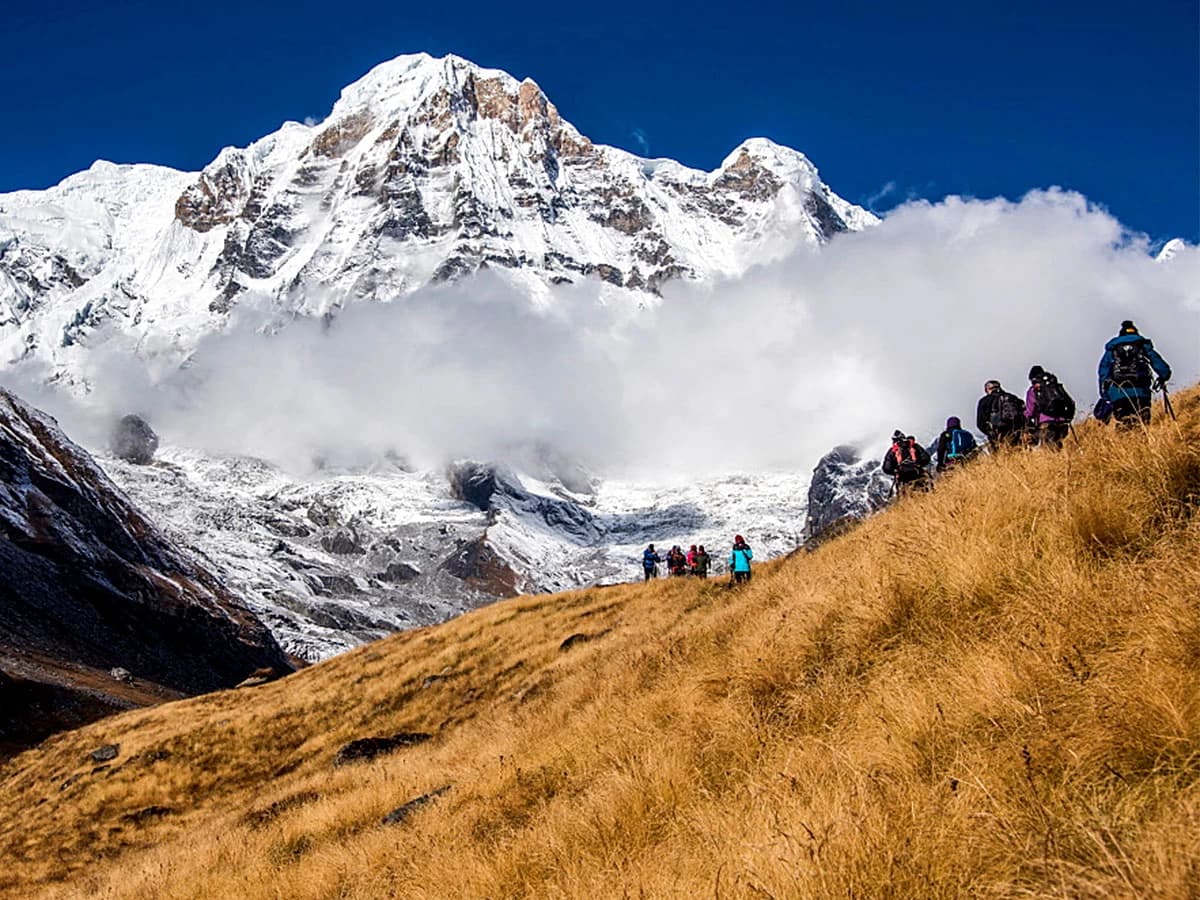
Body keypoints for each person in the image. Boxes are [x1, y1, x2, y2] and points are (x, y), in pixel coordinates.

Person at [1098, 320, 1172, 426]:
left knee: (1124, 422)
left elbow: (1103, 372)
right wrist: (1164, 376)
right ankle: (1142, 441)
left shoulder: (1112, 349)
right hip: (1141, 392)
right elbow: (1160, 366)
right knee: (1142, 422)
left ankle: (1126, 441)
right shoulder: (1142, 345)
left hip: (1117, 394)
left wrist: (1106, 395)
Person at [1025, 366, 1075, 447]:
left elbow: (1030, 412)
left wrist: (1028, 426)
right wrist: (1068, 417)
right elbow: (1070, 402)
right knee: (1057, 445)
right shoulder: (1055, 386)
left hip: (1046, 423)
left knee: (1049, 449)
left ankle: (1057, 459)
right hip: (1062, 422)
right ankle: (1062, 459)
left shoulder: (1033, 390)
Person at [976, 380, 1026, 448]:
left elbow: (980, 423)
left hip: (996, 434)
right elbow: (1023, 412)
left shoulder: (984, 401)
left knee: (998, 455)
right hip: (1014, 432)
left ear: (987, 389)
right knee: (1015, 452)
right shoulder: (1012, 397)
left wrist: (990, 433)